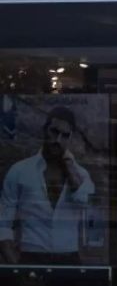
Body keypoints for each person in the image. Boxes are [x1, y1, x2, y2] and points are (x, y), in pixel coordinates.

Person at [0, 106, 95, 265]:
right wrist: (15, 266)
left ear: (70, 139)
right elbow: (3, 221)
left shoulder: (81, 175)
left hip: (69, 256)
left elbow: (86, 205)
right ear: (44, 130)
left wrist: (70, 170)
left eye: (65, 135)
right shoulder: (20, 171)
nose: (58, 140)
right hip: (31, 255)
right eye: (54, 131)